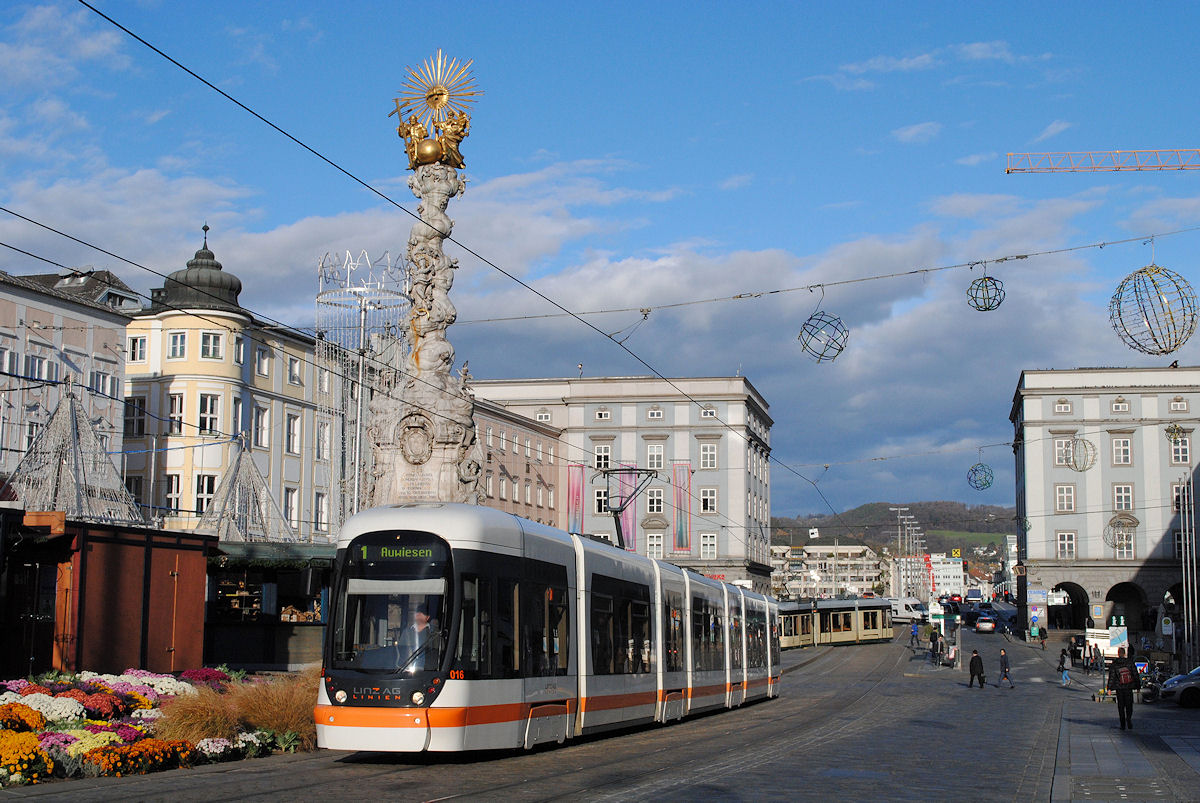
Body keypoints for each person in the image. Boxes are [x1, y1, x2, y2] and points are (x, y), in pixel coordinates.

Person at [1107, 647, 1141, 730]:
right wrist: (1138, 686)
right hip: (1128, 687)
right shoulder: (1129, 662)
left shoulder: (1115, 664)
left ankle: (1122, 724)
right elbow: (1135, 674)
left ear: (1118, 653)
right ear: (1125, 653)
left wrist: (1109, 688)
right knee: (1129, 705)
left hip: (1119, 688)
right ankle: (1128, 719)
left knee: (1121, 706)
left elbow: (1112, 677)